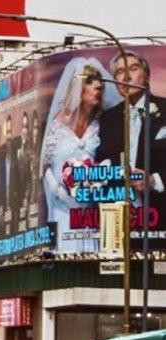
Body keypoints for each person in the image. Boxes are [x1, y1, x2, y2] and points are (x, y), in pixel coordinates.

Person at [41, 57, 121, 253]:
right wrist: (61, 193)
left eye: (100, 81)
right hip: (62, 211)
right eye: (90, 81)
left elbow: (109, 161)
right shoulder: (57, 125)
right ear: (77, 86)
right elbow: (43, 168)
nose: (99, 86)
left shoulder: (102, 125)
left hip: (91, 215)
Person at [97, 51, 166, 224]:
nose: (126, 76)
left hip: (160, 212)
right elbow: (103, 157)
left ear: (146, 76)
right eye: (120, 72)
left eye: (133, 69)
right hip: (119, 215)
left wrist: (153, 180)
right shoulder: (109, 118)